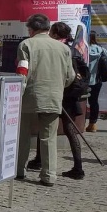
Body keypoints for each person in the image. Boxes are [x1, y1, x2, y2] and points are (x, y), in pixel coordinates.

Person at [15, 14, 74, 186]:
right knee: (49, 137)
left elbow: (22, 73)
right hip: (53, 97)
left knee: (23, 135)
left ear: (31, 29)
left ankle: (19, 170)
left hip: (29, 96)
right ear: (48, 28)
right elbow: (70, 76)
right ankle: (49, 175)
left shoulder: (26, 45)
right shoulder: (64, 49)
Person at [26, 22, 86, 180]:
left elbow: (74, 76)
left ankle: (78, 167)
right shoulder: (72, 50)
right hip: (64, 94)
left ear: (54, 34)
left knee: (64, 129)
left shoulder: (67, 51)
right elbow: (82, 73)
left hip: (64, 96)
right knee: (53, 127)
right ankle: (40, 160)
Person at [87, 32, 107, 132]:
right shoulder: (102, 50)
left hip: (83, 80)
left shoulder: (83, 49)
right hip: (96, 80)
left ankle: (78, 123)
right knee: (94, 102)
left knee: (80, 102)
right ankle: (92, 125)